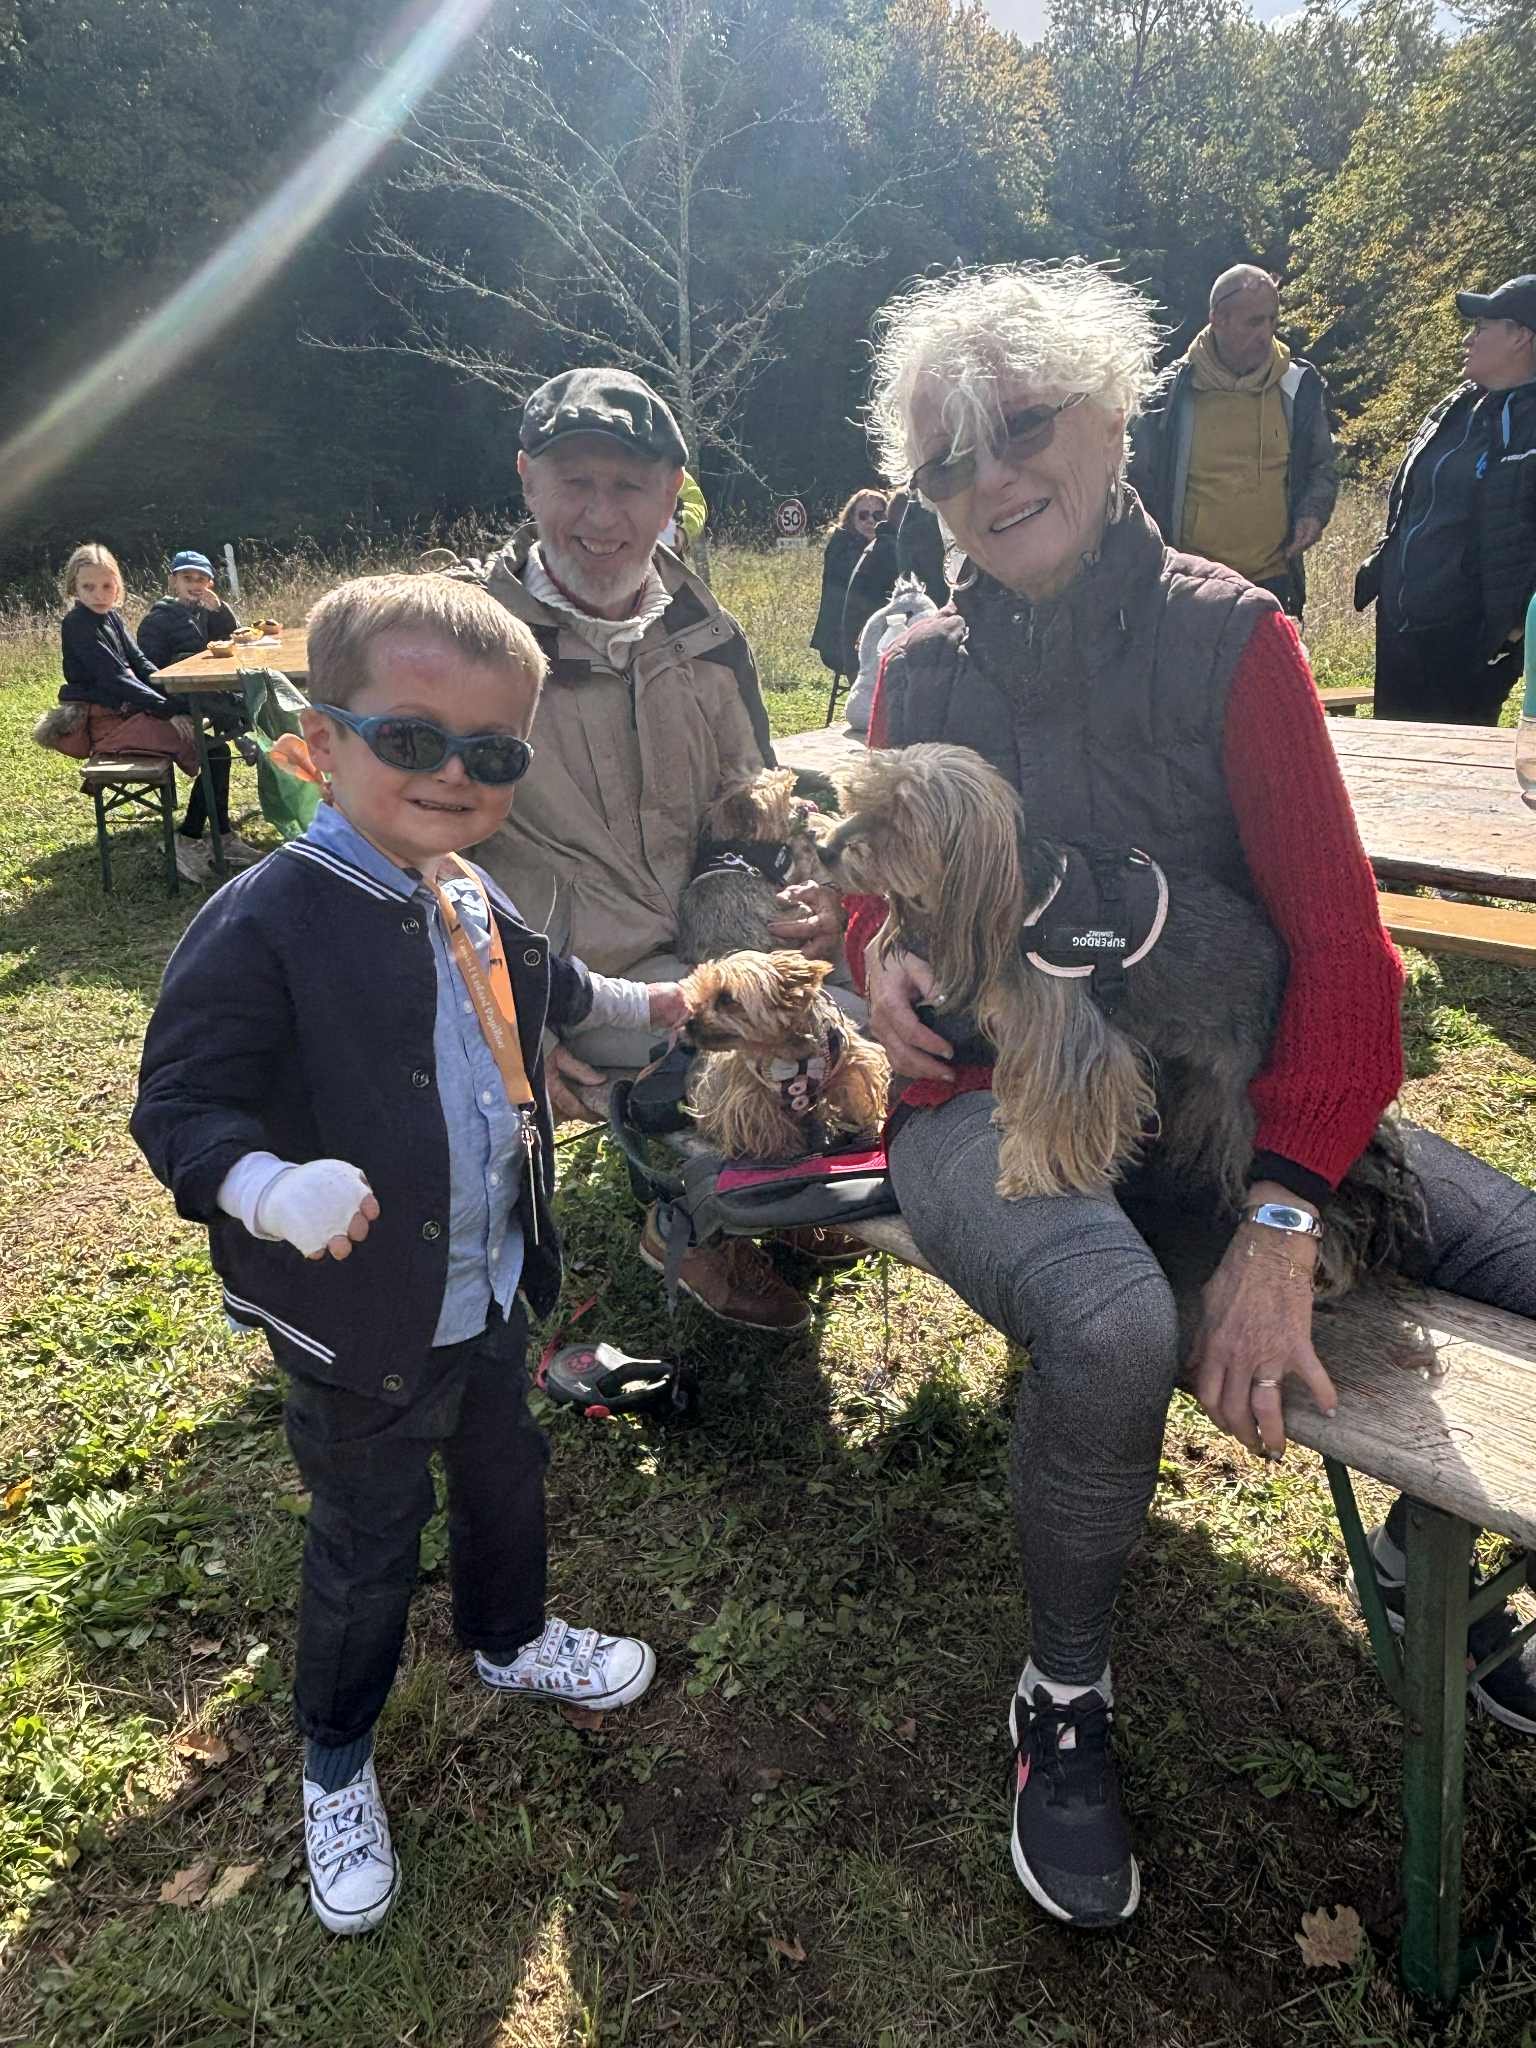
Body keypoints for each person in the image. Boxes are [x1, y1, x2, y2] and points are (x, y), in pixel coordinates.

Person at [849, 260, 1536, 1930]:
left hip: (1227, 1106)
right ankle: (1063, 1694)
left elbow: (1346, 966)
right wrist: (878, 965)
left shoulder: (1236, 637)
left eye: (1021, 427)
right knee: (1108, 1324)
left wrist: (1285, 1220)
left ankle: (1444, 1579)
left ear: (1109, 416)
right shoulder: (912, 667)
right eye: (948, 459)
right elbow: (869, 895)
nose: (991, 477)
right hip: (996, 1102)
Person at [131, 573, 682, 1936]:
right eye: (414, 739)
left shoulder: (470, 891)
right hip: (361, 1317)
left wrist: (686, 1002)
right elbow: (179, 1103)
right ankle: (335, 1760)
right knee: (367, 1539)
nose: (454, 776)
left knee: (506, 1477)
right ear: (318, 743)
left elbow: (564, 992)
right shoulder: (267, 916)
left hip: (487, 1289)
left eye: (494, 754)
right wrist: (267, 1188)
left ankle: (510, 1635)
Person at [472, 366, 856, 1334]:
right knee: (755, 1056)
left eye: (630, 486)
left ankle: (783, 1186)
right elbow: (410, 857)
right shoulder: (470, 641)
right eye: (576, 483)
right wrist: (515, 1034)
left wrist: (814, 889)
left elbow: (761, 793)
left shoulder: (707, 634)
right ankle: (694, 1223)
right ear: (526, 480)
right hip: (577, 970)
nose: (602, 517)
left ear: (673, 492)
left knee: (859, 1021)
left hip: (723, 935)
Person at [1356, 273, 1536, 726]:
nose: (1468, 339)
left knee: (1450, 765)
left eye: (1482, 327)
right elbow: (1411, 503)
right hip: (1400, 630)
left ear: (1521, 337)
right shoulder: (1455, 406)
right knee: (1391, 761)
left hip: (1467, 642)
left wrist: (1513, 626)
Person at [1129, 264, 1338, 618]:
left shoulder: (1297, 385)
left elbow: (1322, 466)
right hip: (1191, 585)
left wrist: (1312, 514)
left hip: (1271, 584)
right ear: (1217, 319)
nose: (1266, 333)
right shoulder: (1170, 393)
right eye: (1254, 322)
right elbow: (1137, 484)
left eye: (1272, 320)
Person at [56, 543, 258, 881]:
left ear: (117, 586)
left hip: (129, 712)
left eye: (106, 586)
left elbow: (142, 664)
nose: (99, 594)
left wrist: (173, 692)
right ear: (73, 588)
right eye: (88, 587)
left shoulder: (111, 617)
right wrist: (169, 711)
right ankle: (188, 839)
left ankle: (221, 837)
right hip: (107, 724)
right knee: (215, 751)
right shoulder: (78, 624)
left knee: (215, 749)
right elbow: (116, 679)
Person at [810, 490, 885, 680]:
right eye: (863, 515)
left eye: (878, 515)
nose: (870, 521)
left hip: (867, 637)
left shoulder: (883, 547)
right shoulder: (842, 546)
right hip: (839, 644)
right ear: (851, 517)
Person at [135, 548, 241, 666]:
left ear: (209, 584)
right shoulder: (155, 621)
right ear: (173, 581)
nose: (194, 584)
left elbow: (237, 644)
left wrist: (220, 611)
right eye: (187, 578)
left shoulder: (214, 612)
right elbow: (151, 666)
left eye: (201, 579)